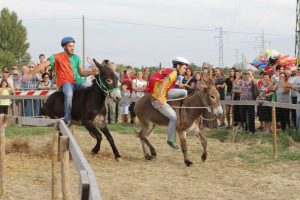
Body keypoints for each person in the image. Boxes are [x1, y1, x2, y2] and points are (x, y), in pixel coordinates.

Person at [24, 36, 97, 126]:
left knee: (91, 86)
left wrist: (91, 72)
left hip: (78, 82)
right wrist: (31, 73)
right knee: (69, 94)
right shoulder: (56, 57)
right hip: (66, 83)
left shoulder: (77, 58)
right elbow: (43, 64)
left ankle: (94, 113)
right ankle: (67, 118)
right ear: (64, 47)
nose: (72, 48)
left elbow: (81, 73)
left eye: (73, 46)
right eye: (70, 46)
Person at [146, 56, 189, 150]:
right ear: (178, 66)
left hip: (166, 93)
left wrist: (179, 85)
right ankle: (170, 140)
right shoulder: (173, 73)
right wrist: (160, 97)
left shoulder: (171, 71)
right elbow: (163, 83)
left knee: (184, 92)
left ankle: (175, 108)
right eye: (184, 68)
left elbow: (166, 83)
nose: (185, 70)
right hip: (157, 98)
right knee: (173, 117)